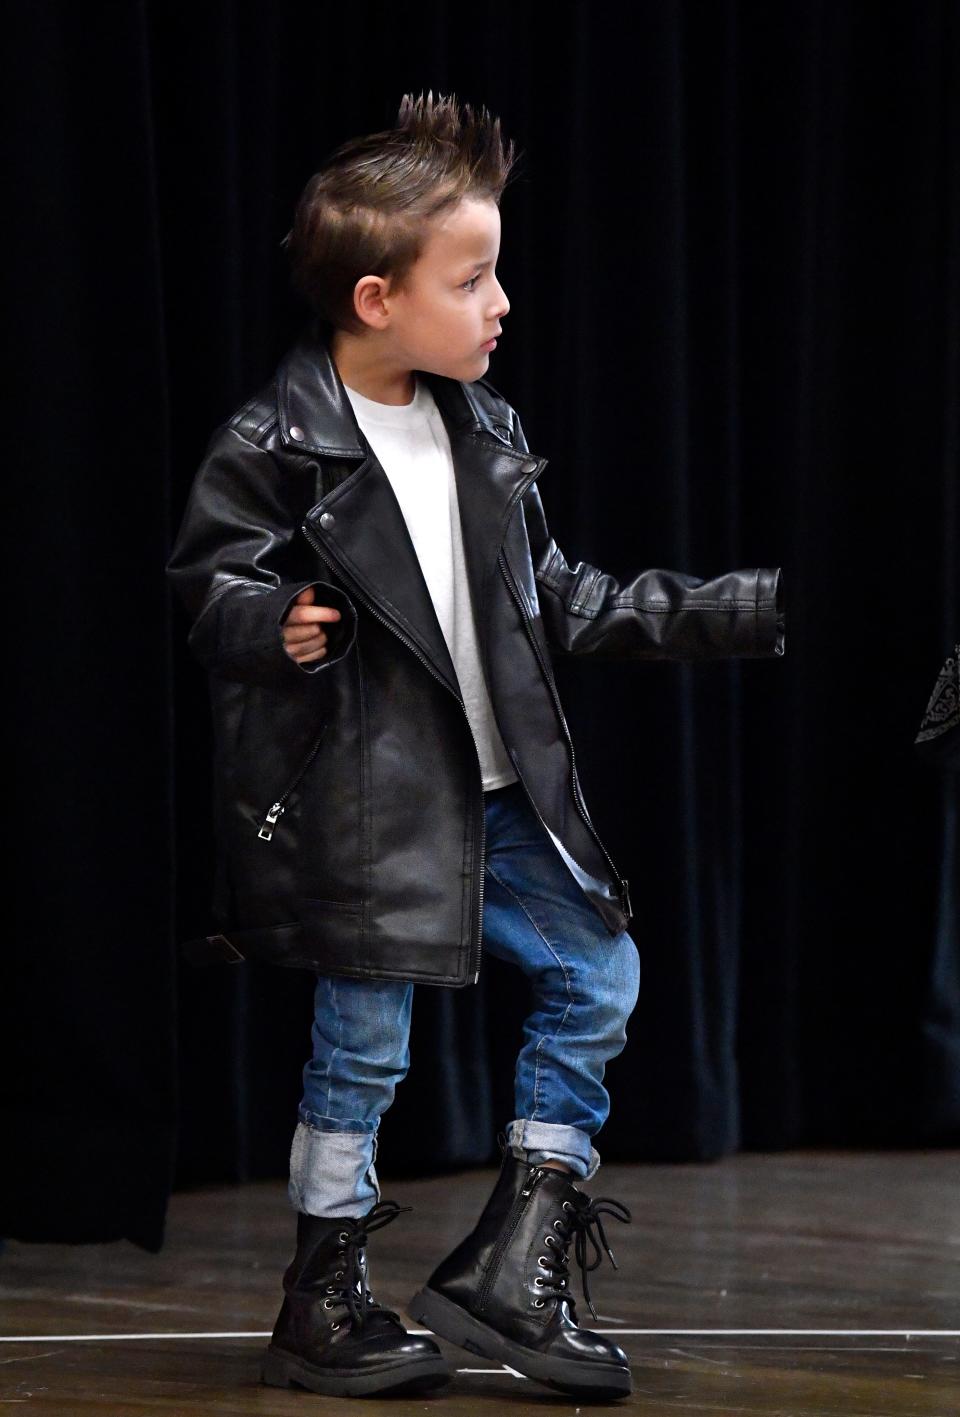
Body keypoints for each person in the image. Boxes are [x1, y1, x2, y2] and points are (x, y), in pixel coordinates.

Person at [166, 91, 785, 1402]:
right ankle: (321, 1291)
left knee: (600, 974)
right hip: (366, 810)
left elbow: (559, 600)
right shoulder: (280, 444)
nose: (501, 301)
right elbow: (207, 580)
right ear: (379, 298)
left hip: (499, 805)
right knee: (364, 1048)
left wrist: (749, 605)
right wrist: (268, 617)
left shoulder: (486, 431)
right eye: (474, 277)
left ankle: (516, 1258)